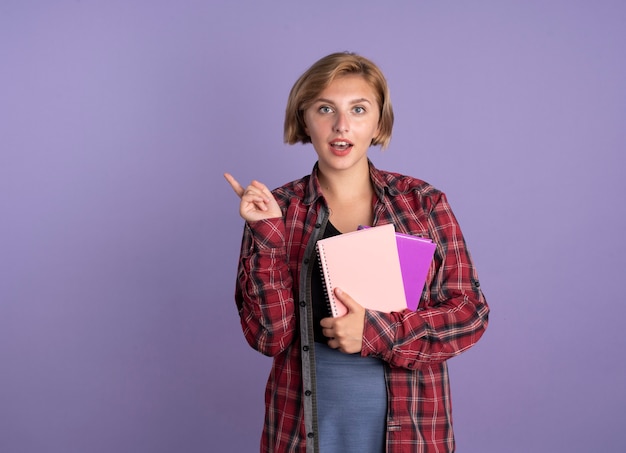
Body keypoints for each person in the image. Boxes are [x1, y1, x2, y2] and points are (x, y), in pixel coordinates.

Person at [224, 51, 489, 453]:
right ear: (304, 120)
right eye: (325, 108)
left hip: (412, 432)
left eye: (358, 109)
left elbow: (469, 312)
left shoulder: (422, 203)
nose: (341, 125)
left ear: (378, 123)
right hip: (303, 432)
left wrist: (375, 332)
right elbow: (268, 337)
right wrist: (267, 237)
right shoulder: (279, 210)